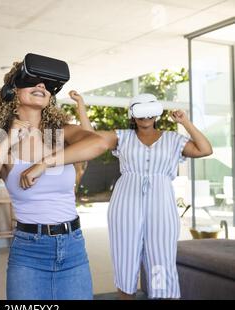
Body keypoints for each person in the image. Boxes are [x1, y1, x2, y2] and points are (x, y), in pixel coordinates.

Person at [0, 54, 110, 300]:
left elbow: (98, 143)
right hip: (29, 251)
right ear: (12, 92)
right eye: (33, 81)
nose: (41, 86)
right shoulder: (2, 148)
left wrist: (44, 163)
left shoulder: (63, 134)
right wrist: (8, 138)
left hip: (74, 245)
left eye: (46, 84)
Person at [74, 93, 213, 299]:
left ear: (156, 113)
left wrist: (185, 122)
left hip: (161, 205)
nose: (145, 116)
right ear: (132, 114)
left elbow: (205, 149)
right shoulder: (121, 137)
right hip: (125, 203)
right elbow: (91, 139)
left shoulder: (174, 139)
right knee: (125, 258)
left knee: (161, 257)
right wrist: (81, 106)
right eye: (140, 110)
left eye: (150, 111)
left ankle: (161, 294)